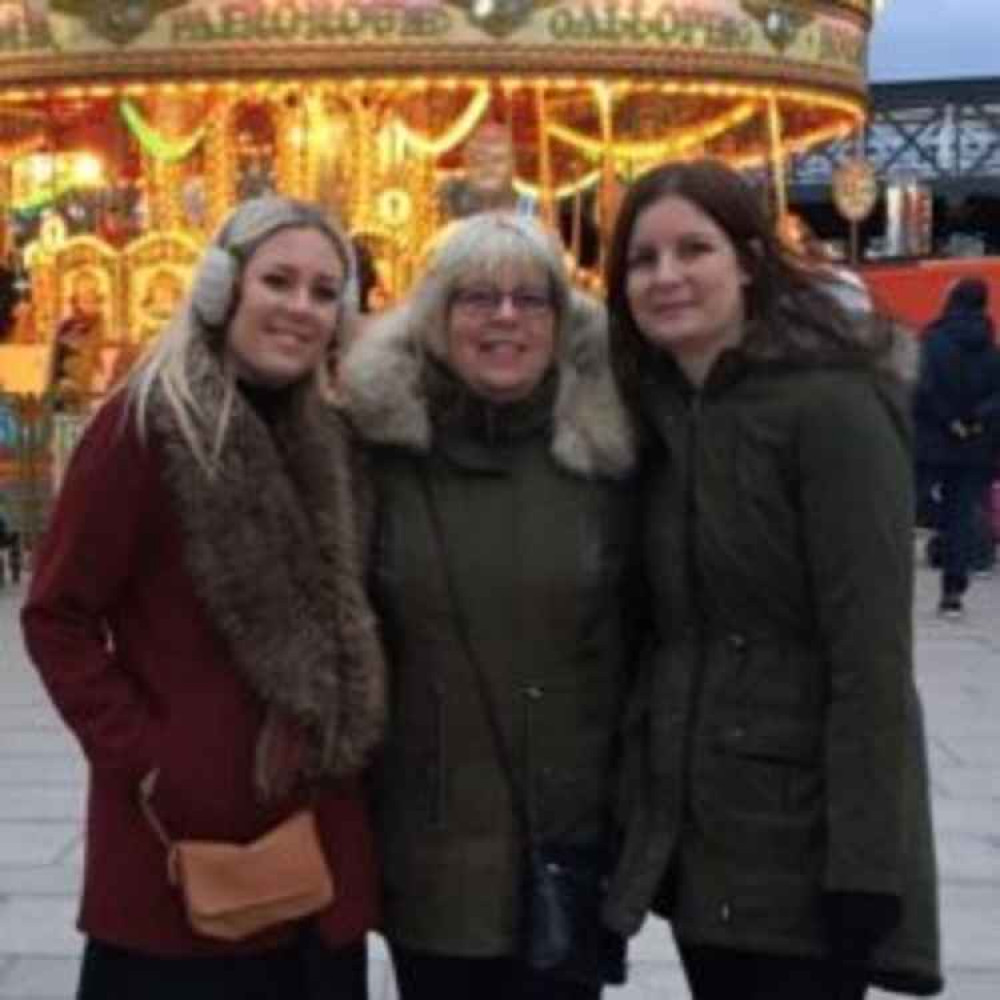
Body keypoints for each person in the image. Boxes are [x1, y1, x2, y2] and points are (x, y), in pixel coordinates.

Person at [21, 196, 387, 1000]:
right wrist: (149, 760)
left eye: (325, 292)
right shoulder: (146, 424)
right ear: (224, 289)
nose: (300, 308)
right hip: (184, 858)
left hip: (314, 848)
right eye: (278, 281)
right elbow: (57, 615)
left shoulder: (334, 436)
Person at [601, 160, 942, 1000]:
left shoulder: (833, 408)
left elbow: (870, 656)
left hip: (805, 841)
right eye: (643, 260)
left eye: (694, 249)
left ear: (749, 260)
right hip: (705, 837)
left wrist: (867, 865)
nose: (668, 276)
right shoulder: (664, 414)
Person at [338, 212, 637, 1000]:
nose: (505, 318)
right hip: (426, 834)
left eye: (530, 299)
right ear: (437, 317)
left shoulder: (605, 460)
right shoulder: (379, 452)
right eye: (477, 298)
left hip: (564, 842)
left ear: (560, 321)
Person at [914, 276, 1000, 617]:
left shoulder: (932, 341)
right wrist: (976, 420)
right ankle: (952, 594)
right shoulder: (992, 350)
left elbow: (923, 389)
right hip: (974, 446)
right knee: (961, 517)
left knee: (906, 504)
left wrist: (950, 420)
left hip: (932, 441)